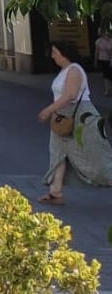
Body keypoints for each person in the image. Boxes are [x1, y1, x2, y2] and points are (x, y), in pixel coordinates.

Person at [37, 40, 112, 204]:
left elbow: (70, 95)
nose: (52, 56)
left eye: (55, 53)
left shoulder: (75, 70)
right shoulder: (64, 70)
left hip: (80, 116)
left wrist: (48, 110)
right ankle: (55, 192)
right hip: (62, 117)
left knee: (95, 155)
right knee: (57, 153)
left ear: (64, 54)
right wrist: (54, 111)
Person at [95, 30, 112, 95]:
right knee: (105, 75)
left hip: (110, 60)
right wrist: (95, 61)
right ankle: (107, 90)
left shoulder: (111, 41)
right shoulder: (99, 41)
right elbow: (96, 52)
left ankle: (108, 88)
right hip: (102, 60)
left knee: (109, 75)